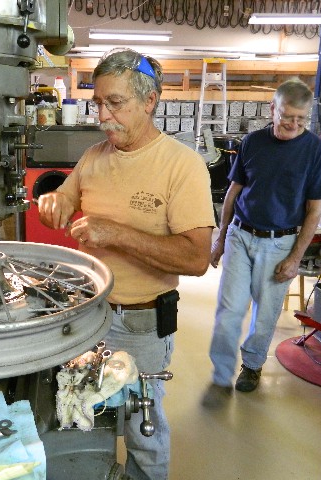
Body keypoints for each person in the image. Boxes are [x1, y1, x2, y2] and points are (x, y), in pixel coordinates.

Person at [37, 49, 215, 480]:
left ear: (149, 100)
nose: (103, 115)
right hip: (86, 316)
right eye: (98, 102)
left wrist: (115, 233)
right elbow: (66, 197)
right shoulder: (94, 156)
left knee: (143, 426)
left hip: (140, 323)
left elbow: (196, 258)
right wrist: (55, 201)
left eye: (114, 103)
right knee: (75, 409)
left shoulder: (182, 165)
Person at [202, 78, 321, 407]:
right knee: (229, 311)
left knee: (265, 315)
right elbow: (234, 191)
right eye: (287, 116)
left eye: (301, 119)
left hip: (281, 244)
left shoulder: (317, 151)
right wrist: (220, 238)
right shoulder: (252, 142)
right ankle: (220, 377)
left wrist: (295, 257)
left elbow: (314, 210)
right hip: (241, 235)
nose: (293, 124)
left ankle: (251, 366)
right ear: (272, 109)